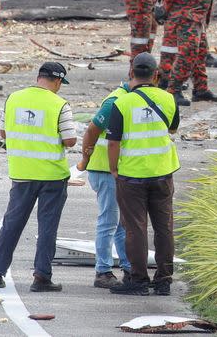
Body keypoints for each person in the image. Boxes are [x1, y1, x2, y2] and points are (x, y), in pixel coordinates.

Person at [0, 62, 76, 292]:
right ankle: (41, 277)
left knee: (12, 224)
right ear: (58, 81)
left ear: (38, 77)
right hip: (53, 176)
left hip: (22, 174)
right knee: (47, 228)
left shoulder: (14, 99)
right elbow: (70, 140)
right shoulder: (60, 104)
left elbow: (3, 132)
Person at [106, 52, 181, 296]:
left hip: (131, 176)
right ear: (156, 75)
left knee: (135, 229)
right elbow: (172, 128)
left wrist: (114, 168)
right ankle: (163, 281)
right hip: (162, 174)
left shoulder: (122, 103)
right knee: (164, 228)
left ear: (131, 73)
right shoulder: (169, 99)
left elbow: (113, 142)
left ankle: (138, 281)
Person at [77, 77, 133, 289]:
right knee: (109, 221)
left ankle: (128, 267)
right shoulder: (115, 102)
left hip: (114, 169)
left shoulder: (127, 99)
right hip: (104, 169)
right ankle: (103, 271)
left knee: (121, 223)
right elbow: (91, 131)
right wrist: (85, 159)